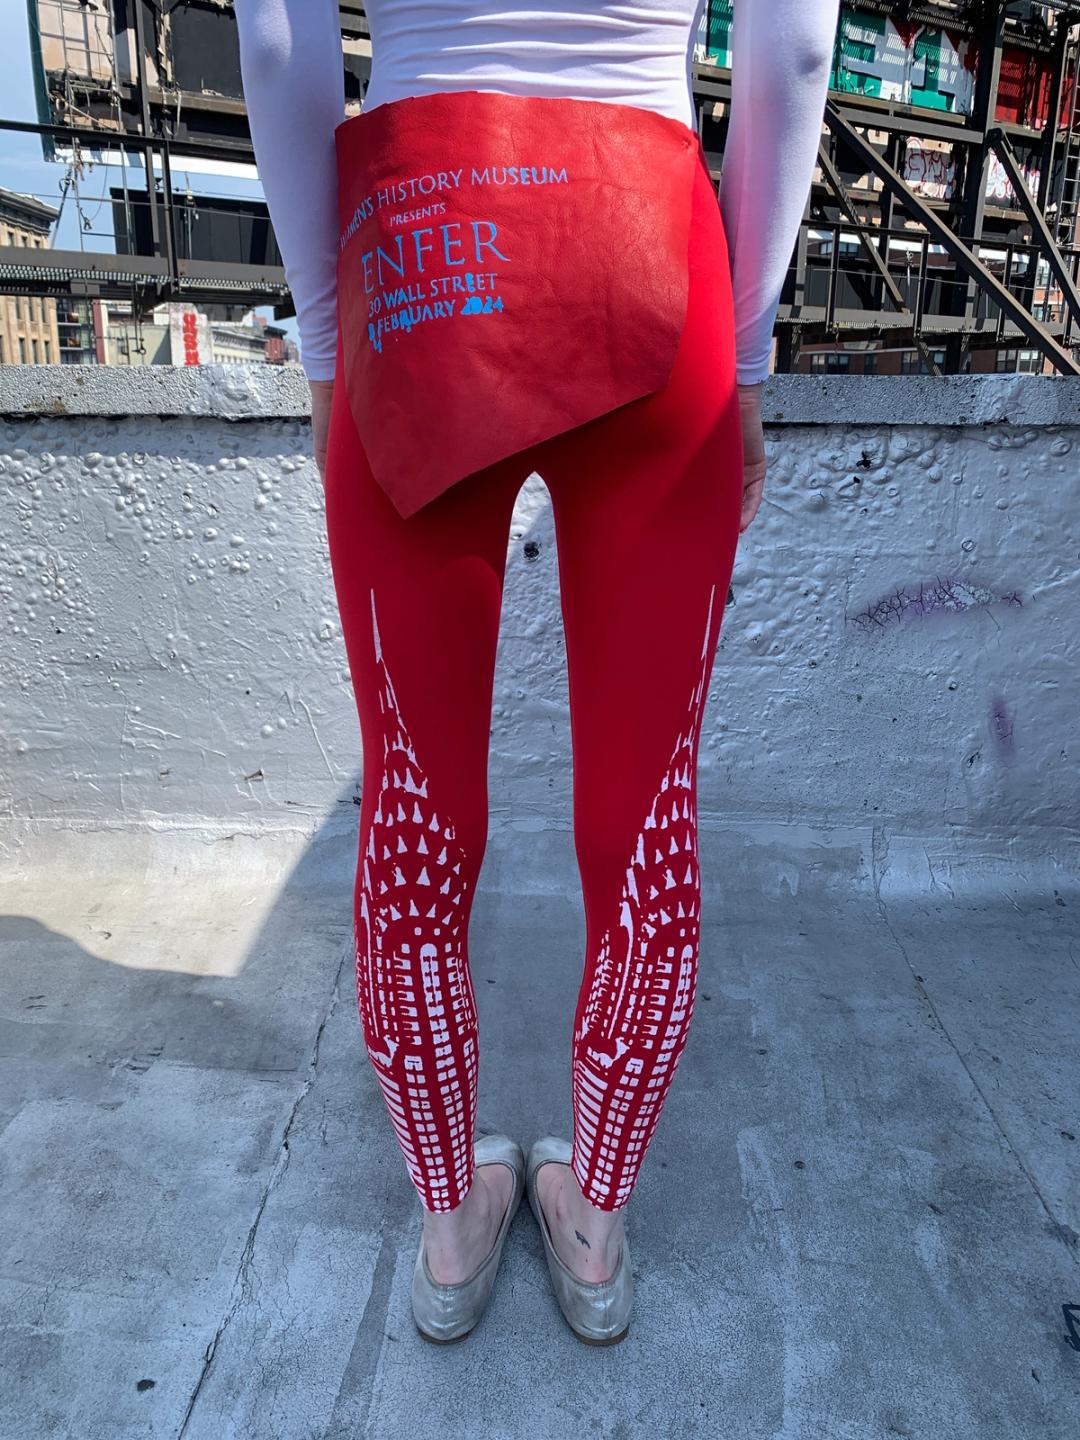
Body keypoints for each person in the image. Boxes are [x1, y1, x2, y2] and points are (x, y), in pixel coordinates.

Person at [235, 0, 840, 1345]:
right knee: (645, 817)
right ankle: (596, 1227)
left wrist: (327, 354)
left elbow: (276, 49)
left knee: (415, 812)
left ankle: (454, 1233)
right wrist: (743, 362)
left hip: (421, 249)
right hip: (650, 241)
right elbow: (797, 47)